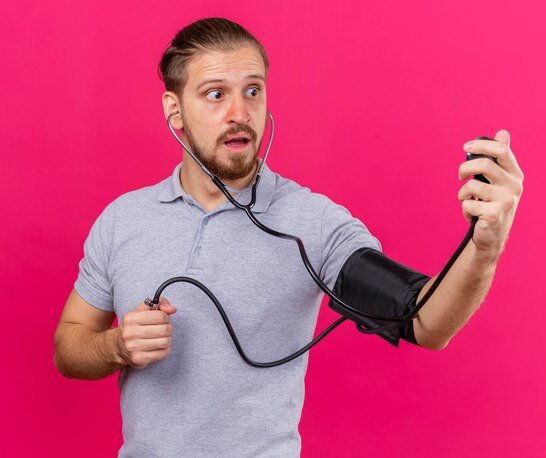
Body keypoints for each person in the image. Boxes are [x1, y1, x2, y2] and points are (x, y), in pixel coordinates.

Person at [53, 17, 524, 457]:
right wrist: (116, 347)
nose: (240, 113)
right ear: (174, 110)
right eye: (215, 94)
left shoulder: (313, 222)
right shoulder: (123, 219)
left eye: (252, 91)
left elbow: (425, 322)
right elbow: (68, 346)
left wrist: (487, 243)